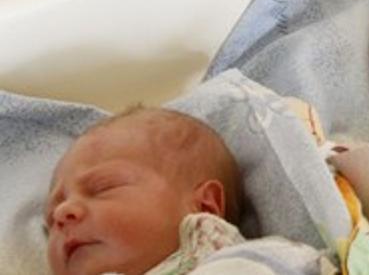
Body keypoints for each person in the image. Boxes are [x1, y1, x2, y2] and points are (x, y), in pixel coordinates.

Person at [45, 106, 331, 275]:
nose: (61, 212)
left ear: (205, 207)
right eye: (49, 221)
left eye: (102, 188)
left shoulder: (247, 261)